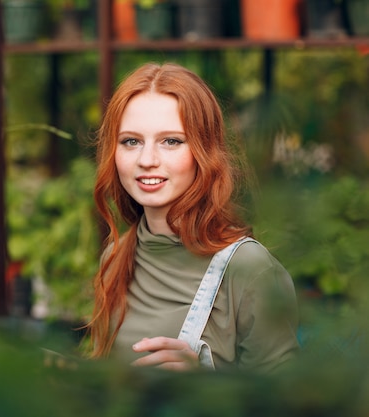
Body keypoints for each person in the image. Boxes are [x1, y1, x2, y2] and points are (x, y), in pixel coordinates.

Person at [86, 62, 299, 372]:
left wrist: (205, 382)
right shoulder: (115, 258)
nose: (147, 160)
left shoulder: (249, 268)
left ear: (205, 151)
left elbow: (288, 403)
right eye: (131, 141)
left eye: (171, 141)